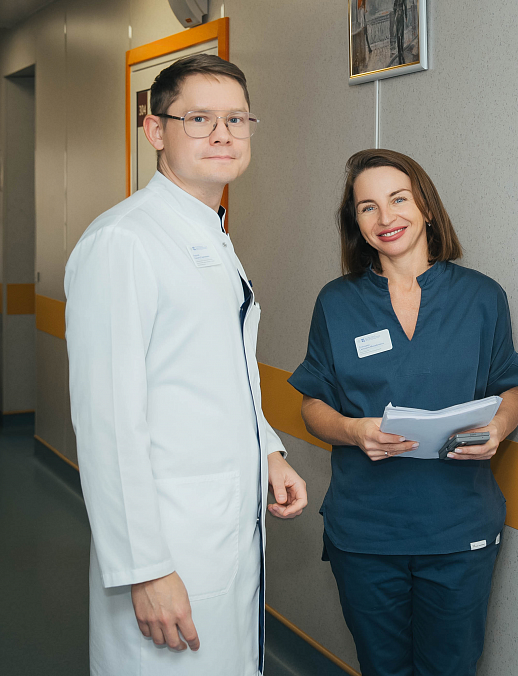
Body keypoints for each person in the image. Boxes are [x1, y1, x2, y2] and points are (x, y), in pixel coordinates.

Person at [65, 54, 307, 675]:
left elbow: (218, 375)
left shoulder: (208, 234)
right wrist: (144, 569)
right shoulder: (124, 241)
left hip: (220, 529)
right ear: (155, 130)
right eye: (199, 119)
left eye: (237, 119)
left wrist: (267, 452)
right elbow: (107, 422)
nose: (223, 134)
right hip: (168, 544)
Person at [289, 149, 518, 676]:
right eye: (367, 207)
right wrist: (353, 430)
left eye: (399, 199)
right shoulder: (337, 302)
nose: (386, 217)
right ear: (355, 223)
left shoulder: (482, 297)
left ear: (426, 207)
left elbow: (507, 388)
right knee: (383, 668)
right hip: (367, 533)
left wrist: (498, 428)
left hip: (458, 529)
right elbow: (313, 405)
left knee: (451, 668)